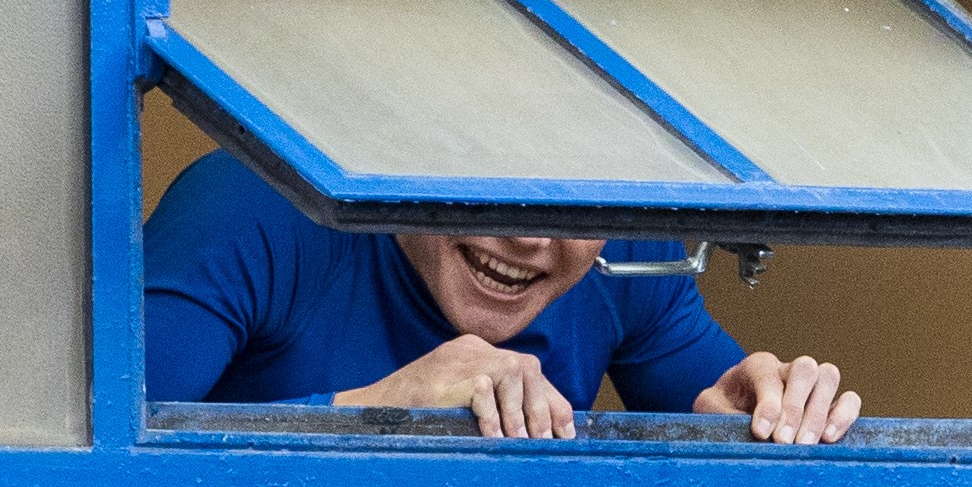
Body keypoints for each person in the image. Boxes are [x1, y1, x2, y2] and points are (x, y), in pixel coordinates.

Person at [144, 150, 861, 443]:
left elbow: (717, 408)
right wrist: (371, 413)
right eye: (488, 181)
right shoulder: (252, 208)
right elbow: (91, 449)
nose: (527, 238)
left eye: (578, 205)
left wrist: (756, 415)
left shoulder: (627, 252)